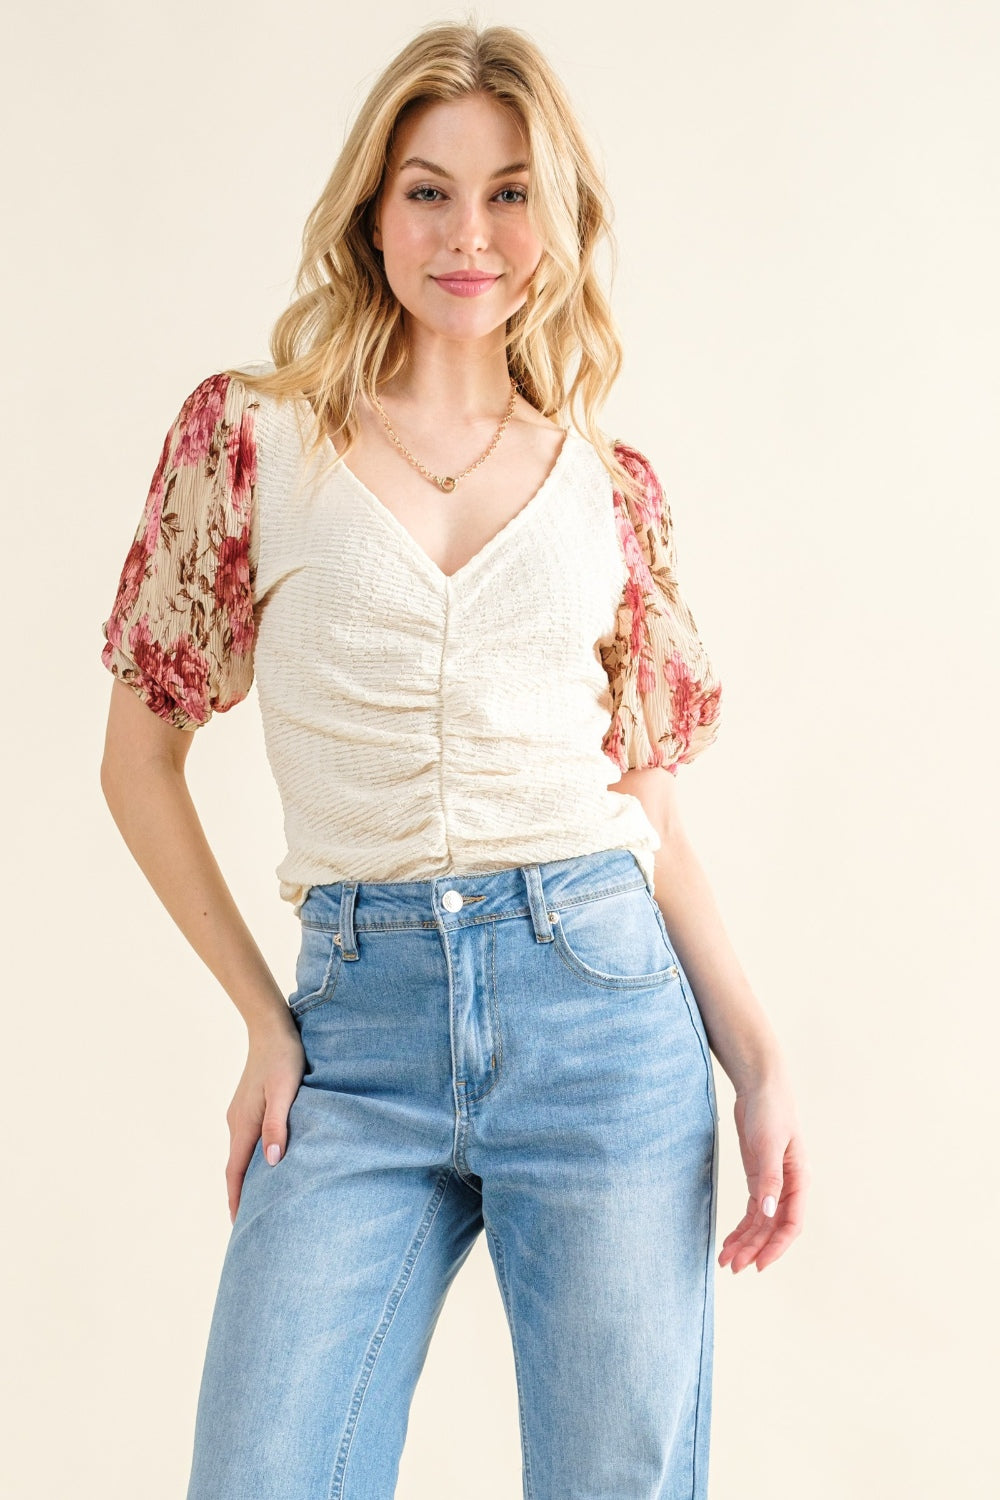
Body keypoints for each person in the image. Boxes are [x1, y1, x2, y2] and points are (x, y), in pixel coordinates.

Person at [99, 20, 808, 1500]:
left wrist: (757, 1056)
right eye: (428, 190)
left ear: (555, 224)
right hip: (357, 1032)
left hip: (604, 1019)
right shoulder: (250, 443)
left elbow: (645, 807)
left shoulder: (612, 489)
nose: (467, 234)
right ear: (372, 209)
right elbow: (138, 762)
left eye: (509, 193)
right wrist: (261, 1018)